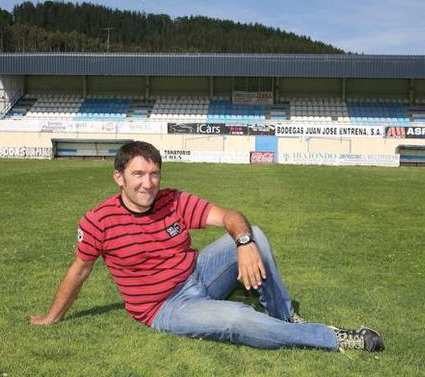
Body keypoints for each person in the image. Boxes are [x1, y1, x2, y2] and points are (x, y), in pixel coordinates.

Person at [30, 141, 384, 352]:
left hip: (199, 274)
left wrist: (243, 243)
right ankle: (333, 338)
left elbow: (231, 216)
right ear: (119, 177)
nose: (148, 183)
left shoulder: (173, 200)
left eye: (154, 174)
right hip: (164, 306)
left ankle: (284, 315)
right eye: (138, 175)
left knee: (254, 233)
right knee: (236, 319)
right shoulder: (99, 220)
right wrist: (52, 317)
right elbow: (79, 270)